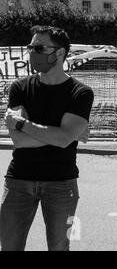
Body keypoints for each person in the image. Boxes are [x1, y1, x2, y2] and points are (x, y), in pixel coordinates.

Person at [0, 25, 94, 251]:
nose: (32, 52)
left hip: (62, 185)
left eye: (39, 47)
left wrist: (23, 124)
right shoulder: (19, 87)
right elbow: (19, 140)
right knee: (9, 247)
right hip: (18, 182)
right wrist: (65, 135)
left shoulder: (81, 93)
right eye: (30, 47)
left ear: (59, 53)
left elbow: (53, 138)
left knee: (60, 247)